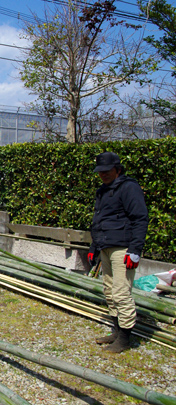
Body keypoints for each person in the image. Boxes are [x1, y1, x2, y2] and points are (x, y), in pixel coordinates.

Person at [88, 151, 148, 353]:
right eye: (100, 171)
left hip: (122, 248)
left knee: (121, 293)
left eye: (107, 170)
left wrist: (135, 250)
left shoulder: (129, 188)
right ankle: (116, 330)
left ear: (118, 169)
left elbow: (140, 218)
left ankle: (125, 338)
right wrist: (93, 248)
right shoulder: (103, 191)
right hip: (106, 246)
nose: (103, 174)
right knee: (109, 290)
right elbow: (99, 221)